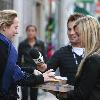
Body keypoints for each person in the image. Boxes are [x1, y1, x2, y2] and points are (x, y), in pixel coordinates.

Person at [0, 9, 55, 100]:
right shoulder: (4, 47)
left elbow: (10, 69)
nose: (17, 32)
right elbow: (17, 76)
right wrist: (41, 78)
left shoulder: (5, 44)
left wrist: (31, 70)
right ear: (5, 26)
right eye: (15, 27)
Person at [36, 13, 85, 100]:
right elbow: (47, 71)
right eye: (69, 29)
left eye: (75, 29)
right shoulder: (61, 52)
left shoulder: (93, 52)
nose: (71, 32)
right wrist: (42, 68)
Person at [65, 16, 100, 100]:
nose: (77, 37)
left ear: (87, 34)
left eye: (78, 34)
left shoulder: (94, 59)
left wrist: (58, 92)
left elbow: (81, 94)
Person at [17, 25, 46, 100]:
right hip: (25, 71)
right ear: (26, 32)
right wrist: (19, 70)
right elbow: (18, 59)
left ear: (36, 32)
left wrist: (43, 70)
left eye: (32, 30)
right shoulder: (22, 44)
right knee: (25, 94)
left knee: (34, 94)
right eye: (29, 30)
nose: (30, 32)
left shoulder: (41, 44)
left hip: (36, 71)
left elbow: (45, 58)